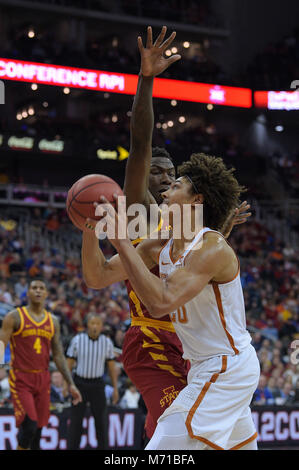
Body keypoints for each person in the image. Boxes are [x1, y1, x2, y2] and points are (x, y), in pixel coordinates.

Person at [82, 25, 251, 441]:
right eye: (159, 173)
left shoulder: (195, 232)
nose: (165, 179)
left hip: (193, 347)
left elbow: (201, 253)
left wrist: (223, 225)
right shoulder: (144, 214)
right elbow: (141, 141)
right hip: (153, 336)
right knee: (171, 432)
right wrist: (146, 79)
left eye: (174, 176)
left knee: (187, 433)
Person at [82, 149, 261, 450]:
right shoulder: (160, 246)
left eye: (176, 185)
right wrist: (89, 229)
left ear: (197, 200)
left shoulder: (212, 249)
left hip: (226, 368)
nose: (166, 190)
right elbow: (98, 276)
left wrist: (121, 241)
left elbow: (161, 302)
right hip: (204, 367)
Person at [0, 278, 82, 450]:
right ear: (28, 292)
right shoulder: (14, 316)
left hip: (43, 377)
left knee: (38, 431)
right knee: (29, 425)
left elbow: (58, 355)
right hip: (21, 377)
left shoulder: (53, 321)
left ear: (46, 294)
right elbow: (2, 343)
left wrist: (71, 383)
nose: (38, 290)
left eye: (41, 288)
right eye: (34, 287)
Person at [66, 312, 119, 450]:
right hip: (79, 384)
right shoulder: (78, 340)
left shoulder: (107, 342)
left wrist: (115, 388)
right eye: (92, 323)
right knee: (76, 423)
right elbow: (69, 363)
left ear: (101, 326)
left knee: (101, 422)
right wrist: (68, 384)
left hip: (97, 384)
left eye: (98, 323)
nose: (95, 326)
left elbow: (112, 367)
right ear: (87, 325)